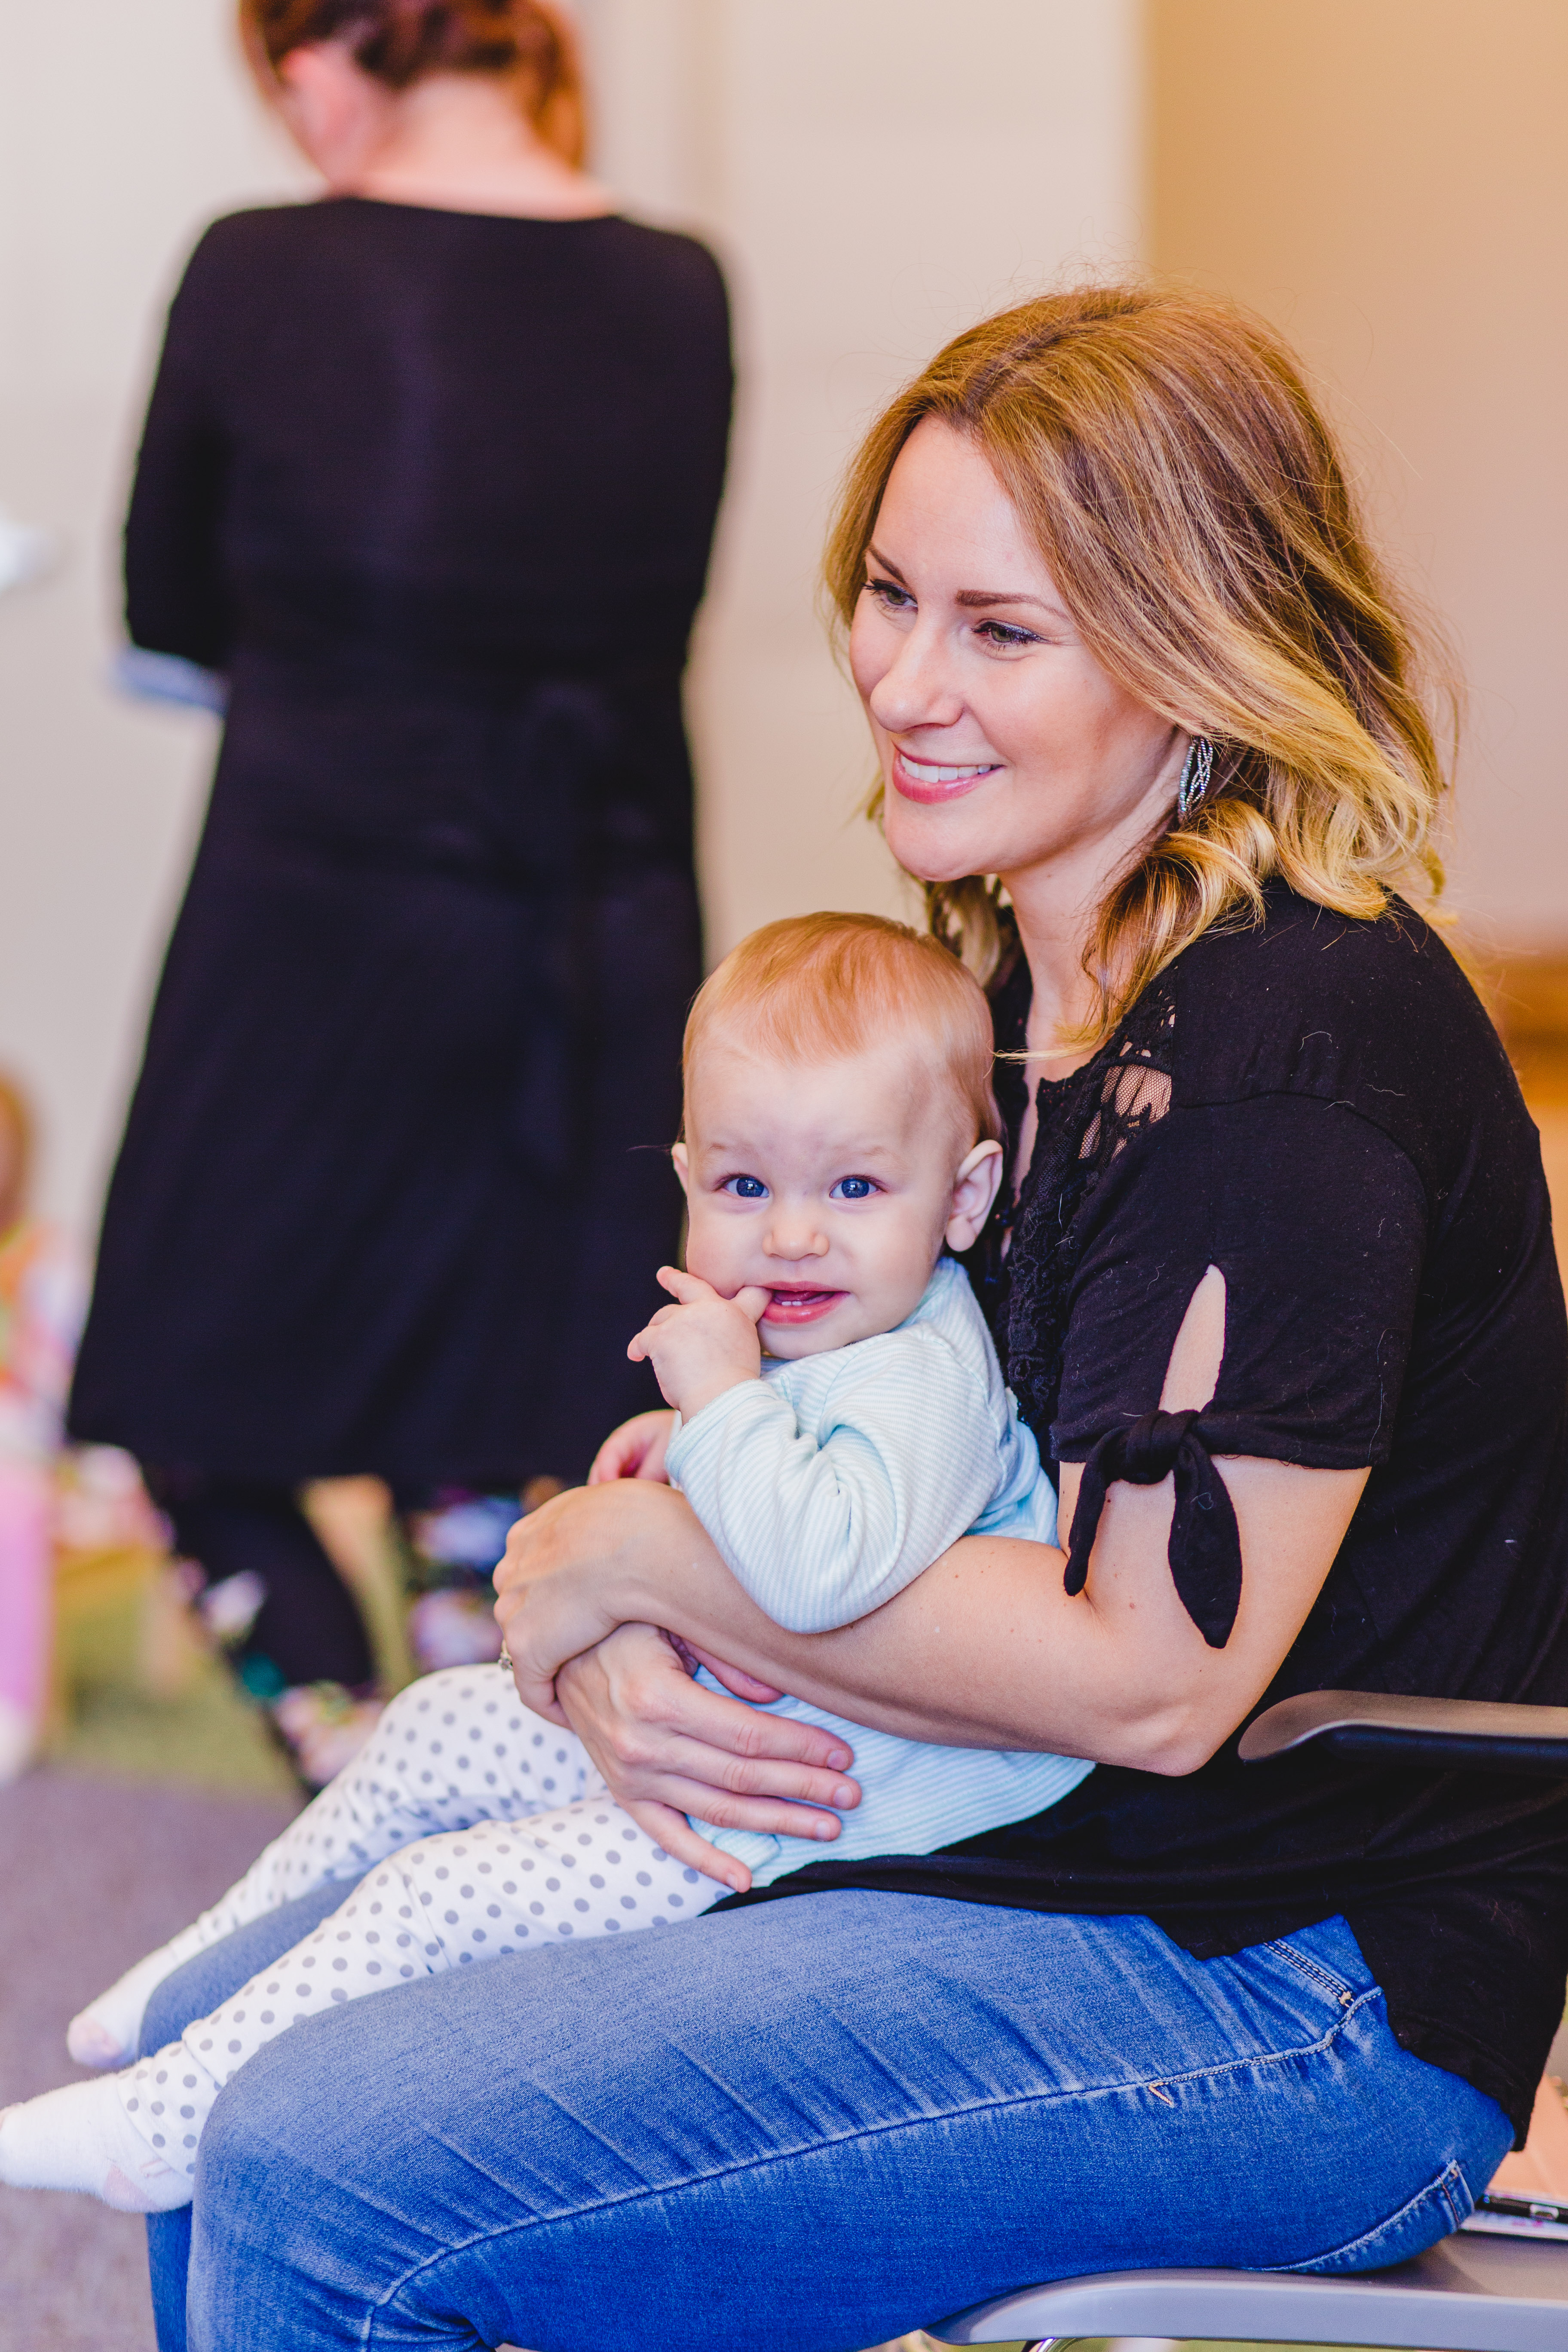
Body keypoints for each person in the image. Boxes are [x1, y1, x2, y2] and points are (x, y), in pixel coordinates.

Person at [91, 284, 1568, 2351]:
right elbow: (804, 1429)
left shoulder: (1285, 1050)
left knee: (318, 2165)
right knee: (238, 2043)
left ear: (1194, 646)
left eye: (1000, 629)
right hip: (1004, 1839)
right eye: (888, 594)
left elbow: (1147, 1678)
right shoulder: (996, 994)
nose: (901, 680)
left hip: (1288, 1979)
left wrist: (639, 1560)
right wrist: (608, 1630)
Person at [0, 913, 1097, 2210]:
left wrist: (723, 1407)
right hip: (762, 1742)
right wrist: (690, 1439)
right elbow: (793, 1487)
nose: (793, 1236)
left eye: (855, 1190)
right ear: (688, 1178)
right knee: (427, 1732)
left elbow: (821, 1571)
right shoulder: (844, 1332)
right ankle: (197, 1975)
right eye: (744, 1188)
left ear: (963, 1197)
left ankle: (160, 2130)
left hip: (823, 1812)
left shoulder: (921, 1376)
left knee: (438, 1899)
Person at [64, 0, 732, 1778]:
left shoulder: (259, 269)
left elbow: (166, 614)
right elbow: (656, 616)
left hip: (319, 911)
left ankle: (343, 1737)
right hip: (594, 917)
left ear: (316, 64)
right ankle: (467, 1710)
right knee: (514, 1391)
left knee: (190, 1387)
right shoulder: (682, 289)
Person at [0, 1077, 85, 1782]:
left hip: (38, 1455)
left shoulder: (48, 1258)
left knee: (11, 1504)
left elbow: (72, 1387)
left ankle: (12, 1708)